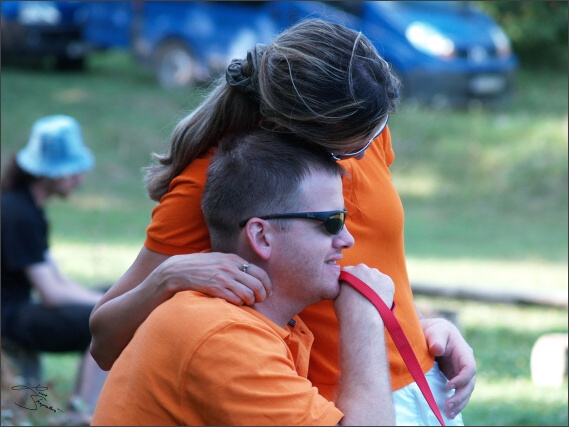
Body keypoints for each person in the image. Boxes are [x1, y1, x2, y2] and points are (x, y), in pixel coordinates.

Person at [89, 18, 476, 425]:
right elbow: (106, 343)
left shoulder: (360, 122)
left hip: (421, 380)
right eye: (356, 141)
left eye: (376, 130)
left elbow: (370, 262)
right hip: (332, 407)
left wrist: (423, 328)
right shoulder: (226, 179)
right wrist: (169, 276)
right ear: (297, 130)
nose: (364, 154)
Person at [92, 129, 396, 426]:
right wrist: (364, 320)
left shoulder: (251, 324)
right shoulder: (224, 338)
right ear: (261, 236)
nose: (347, 239)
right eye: (331, 222)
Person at [1, 115, 108, 421]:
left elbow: (56, 279)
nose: (79, 179)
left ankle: (83, 407)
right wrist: (105, 304)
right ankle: (82, 411)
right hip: (8, 318)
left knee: (107, 299)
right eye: (72, 171)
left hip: (18, 308)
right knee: (102, 320)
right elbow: (51, 293)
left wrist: (107, 296)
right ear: (49, 173)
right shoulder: (16, 213)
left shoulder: (26, 208)